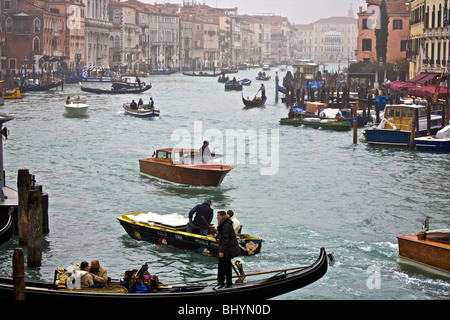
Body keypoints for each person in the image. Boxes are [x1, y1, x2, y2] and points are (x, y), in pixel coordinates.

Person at [214, 211, 241, 290]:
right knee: (227, 266)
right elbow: (224, 235)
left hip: (226, 250)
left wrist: (221, 251)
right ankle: (229, 283)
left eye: (218, 215)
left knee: (222, 267)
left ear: (222, 216)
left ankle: (221, 283)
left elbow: (226, 239)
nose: (217, 217)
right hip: (228, 249)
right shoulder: (226, 223)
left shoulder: (225, 225)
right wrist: (218, 235)